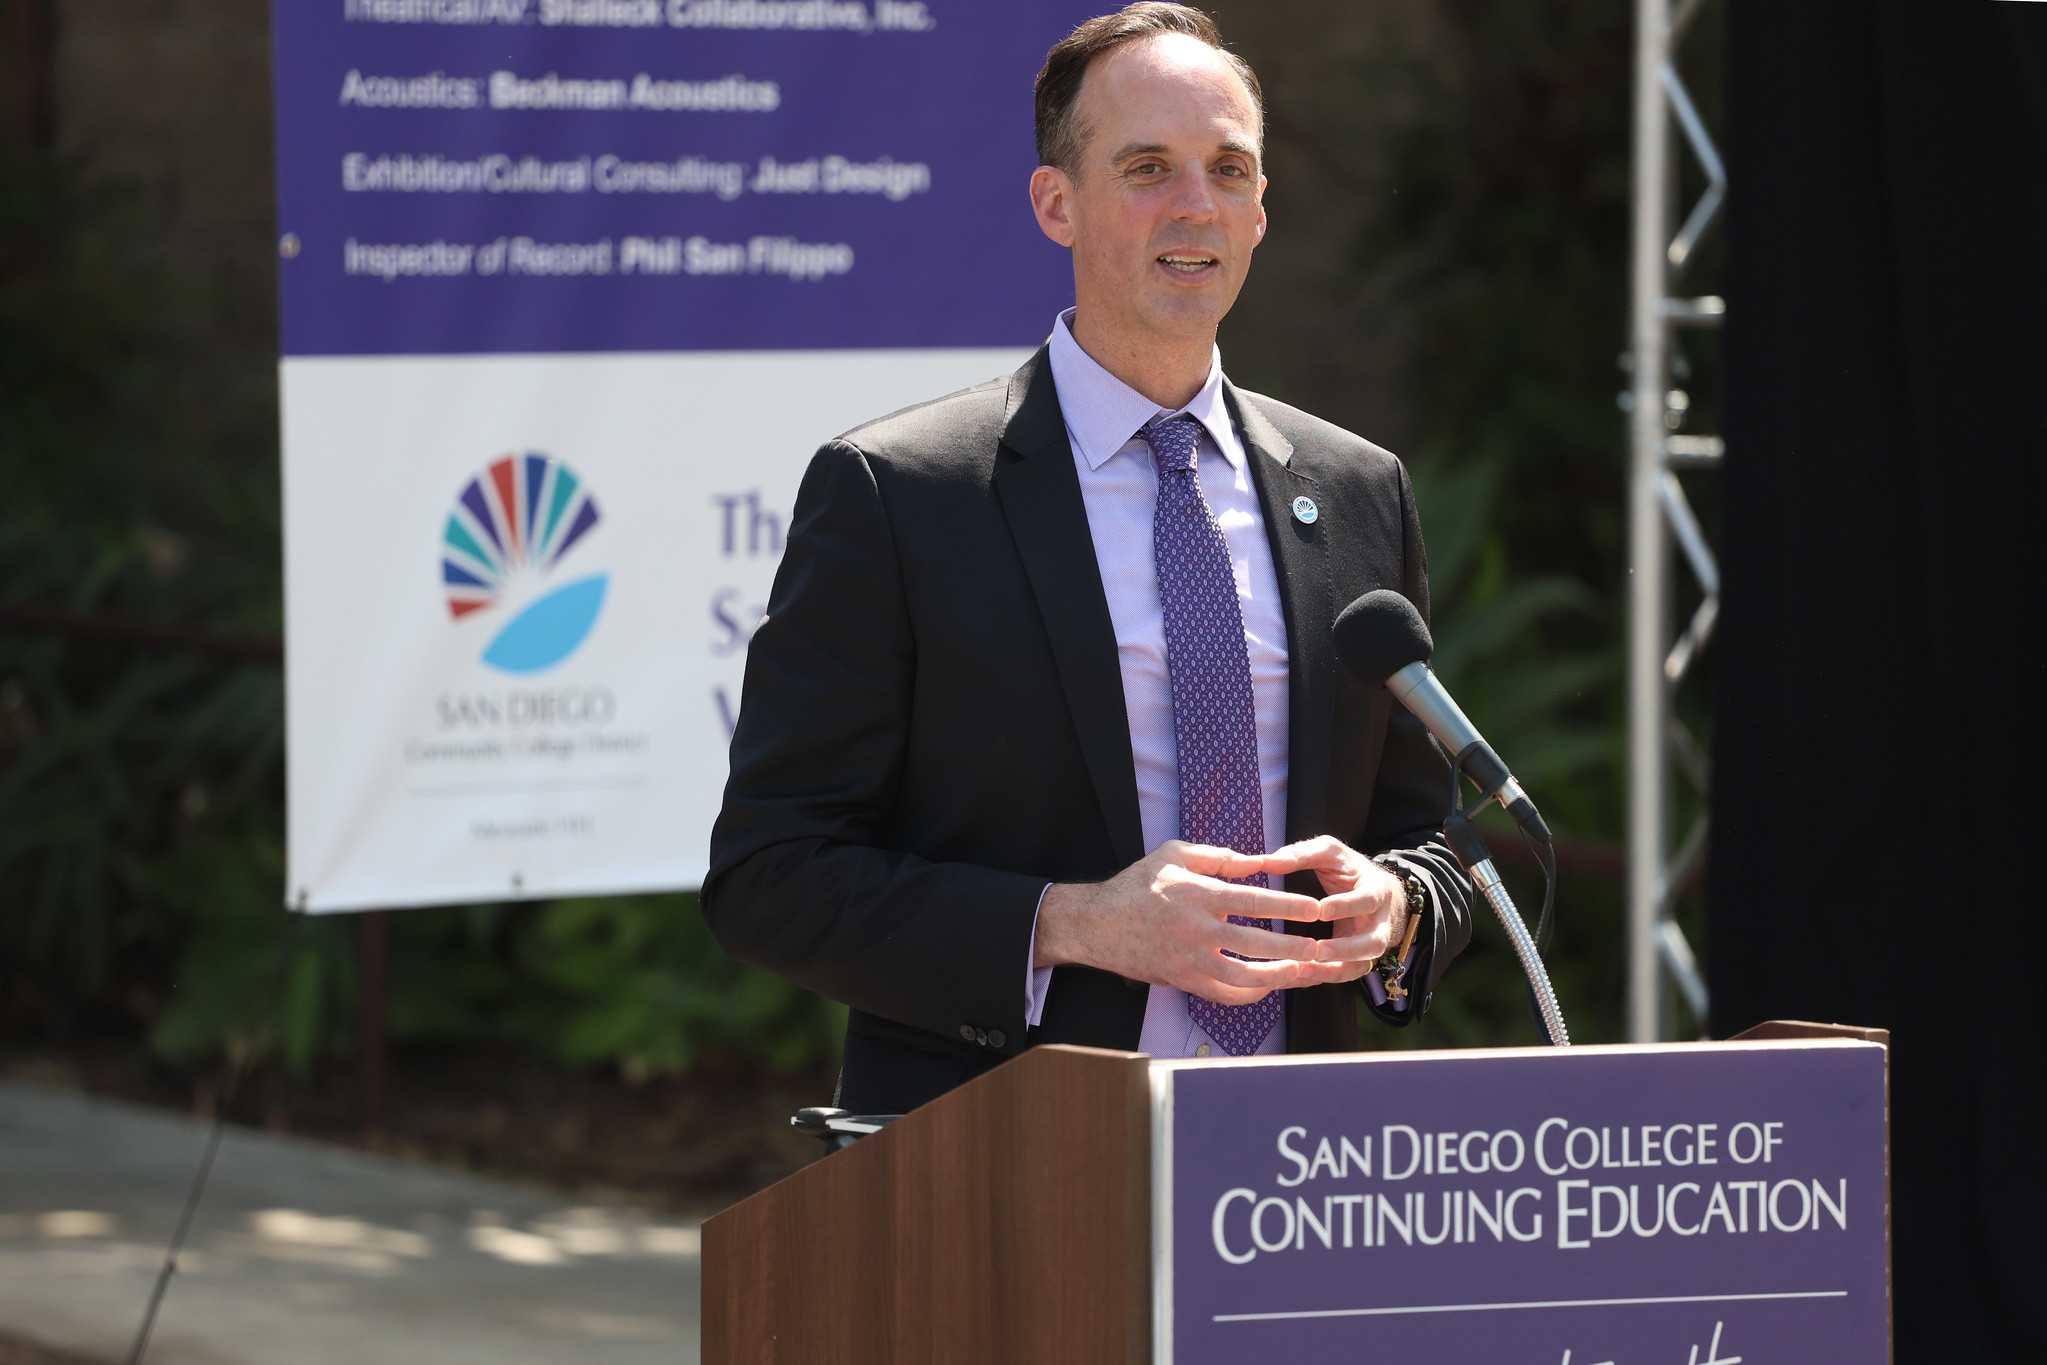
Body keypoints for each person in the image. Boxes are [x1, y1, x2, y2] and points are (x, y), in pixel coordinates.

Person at [704, 2, 1473, 1116]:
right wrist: (1075, 924)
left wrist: (1395, 905)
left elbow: (1425, 838)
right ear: (1055, 203)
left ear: (1262, 211)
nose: (1195, 206)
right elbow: (770, 879)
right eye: (1148, 167)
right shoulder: (902, 495)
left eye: (1230, 169)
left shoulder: (1356, 491)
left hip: (1299, 1157)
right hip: (1003, 1157)